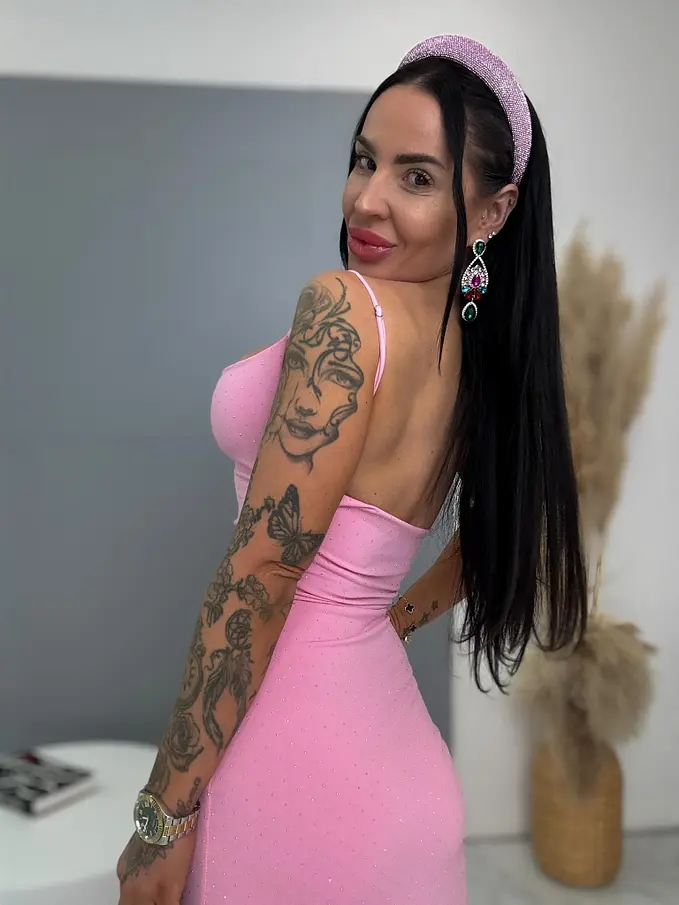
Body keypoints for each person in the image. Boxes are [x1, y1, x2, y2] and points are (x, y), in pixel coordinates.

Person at [116, 34, 587, 905]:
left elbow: (262, 571)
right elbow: (498, 536)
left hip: (293, 766)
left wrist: (162, 816)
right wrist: (374, 623)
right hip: (397, 765)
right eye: (364, 160)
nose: (366, 200)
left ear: (491, 212)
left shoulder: (343, 311)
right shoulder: (483, 364)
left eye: (416, 177)